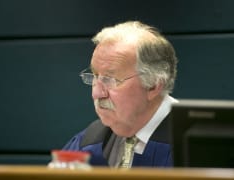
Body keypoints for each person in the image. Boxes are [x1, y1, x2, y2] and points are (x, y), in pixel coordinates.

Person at [63, 20, 179, 168]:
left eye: (110, 80)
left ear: (153, 85)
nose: (97, 93)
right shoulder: (88, 142)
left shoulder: (197, 147)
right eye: (95, 76)